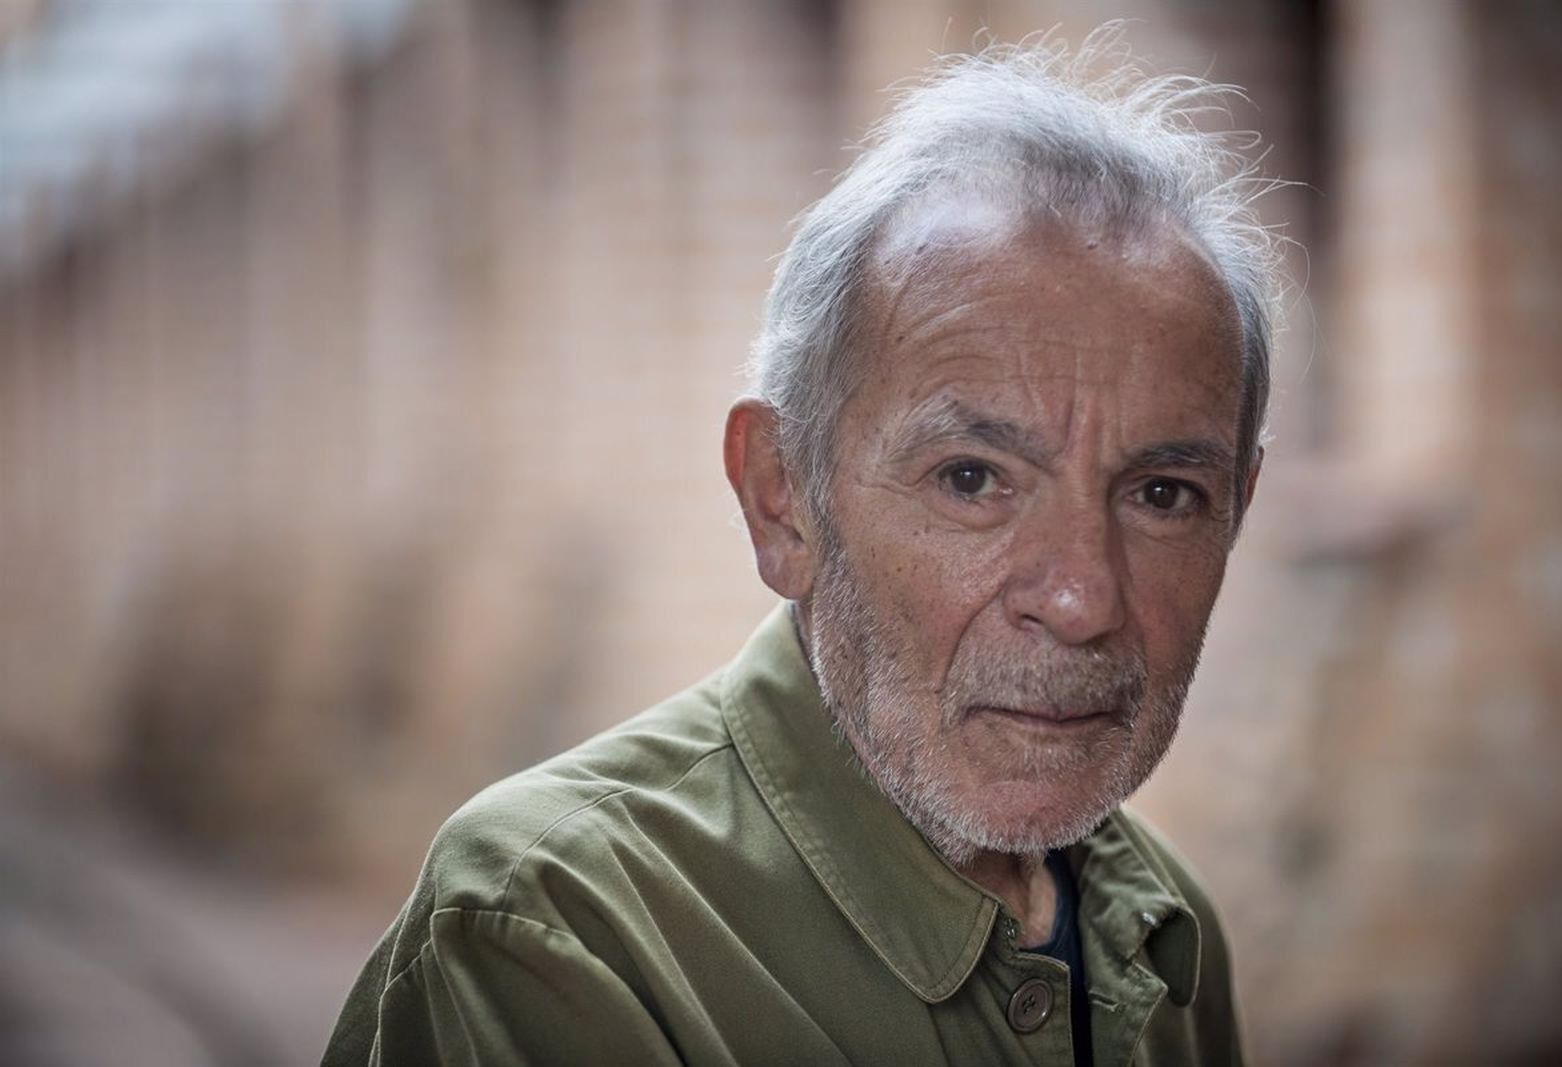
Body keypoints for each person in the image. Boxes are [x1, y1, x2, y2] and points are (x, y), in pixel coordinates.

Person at [324, 36, 1280, 1067]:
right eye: (971, 478)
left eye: (1162, 493)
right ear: (782, 500)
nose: (1082, 595)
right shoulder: (557, 923)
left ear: (1237, 508)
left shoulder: (1170, 927)